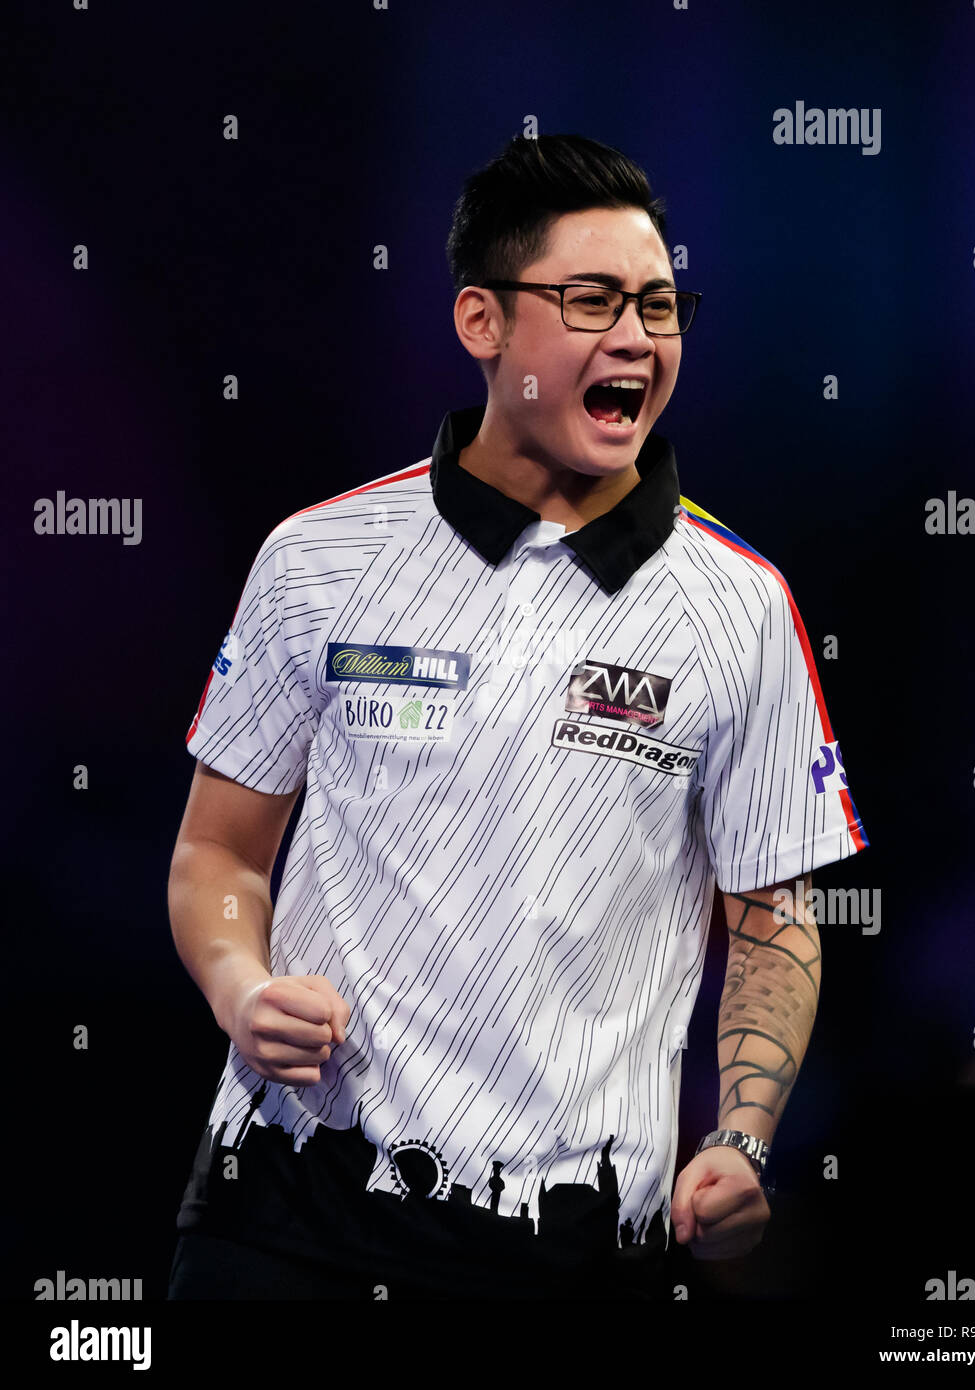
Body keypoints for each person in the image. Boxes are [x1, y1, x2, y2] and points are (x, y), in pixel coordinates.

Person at [166, 132, 869, 1302]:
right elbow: (216, 851)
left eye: (659, 305)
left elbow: (773, 920)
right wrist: (242, 984)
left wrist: (740, 1140)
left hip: (572, 1258)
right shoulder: (318, 558)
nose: (636, 338)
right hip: (282, 1222)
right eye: (591, 299)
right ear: (480, 323)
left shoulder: (739, 607)